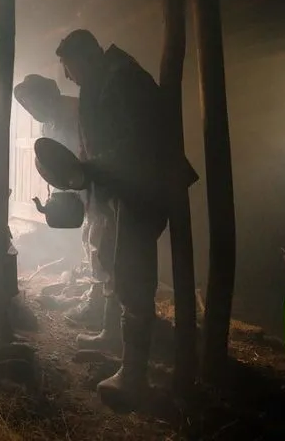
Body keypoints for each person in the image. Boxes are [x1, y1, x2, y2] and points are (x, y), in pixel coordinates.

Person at [56, 29, 198, 407]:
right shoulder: (101, 80)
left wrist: (90, 167)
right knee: (111, 263)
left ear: (86, 57)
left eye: (69, 67)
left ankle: (135, 374)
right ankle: (110, 334)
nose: (68, 77)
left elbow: (138, 142)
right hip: (120, 188)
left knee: (134, 275)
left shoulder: (125, 79)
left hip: (144, 188)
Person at [13, 75, 112, 329]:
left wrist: (85, 176)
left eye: (33, 103)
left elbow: (95, 150)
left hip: (98, 184)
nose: (31, 110)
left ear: (48, 96)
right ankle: (96, 296)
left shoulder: (79, 111)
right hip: (77, 186)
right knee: (89, 238)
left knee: (99, 239)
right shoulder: (48, 123)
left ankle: (101, 307)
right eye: (27, 106)